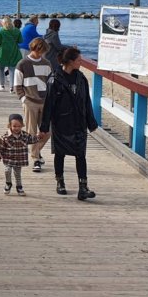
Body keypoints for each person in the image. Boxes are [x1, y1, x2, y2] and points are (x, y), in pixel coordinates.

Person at [40, 47, 99, 200]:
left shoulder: (81, 78)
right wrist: (44, 126)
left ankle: (83, 188)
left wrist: (91, 122)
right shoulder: (55, 79)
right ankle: (60, 182)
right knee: (60, 154)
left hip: (79, 123)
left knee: (81, 155)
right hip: (61, 123)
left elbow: (87, 101)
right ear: (70, 62)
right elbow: (49, 104)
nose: (81, 62)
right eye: (79, 60)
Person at [14, 37, 52, 172]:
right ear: (34, 48)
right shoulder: (22, 64)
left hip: (45, 101)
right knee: (31, 132)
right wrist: (24, 99)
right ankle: (36, 159)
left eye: (43, 52)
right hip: (30, 102)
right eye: (40, 51)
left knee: (47, 131)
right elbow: (17, 85)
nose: (41, 54)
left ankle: (35, 152)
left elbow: (50, 83)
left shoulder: (47, 64)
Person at [0, 113, 48, 196]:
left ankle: (19, 187)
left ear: (22, 125)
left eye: (19, 126)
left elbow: (32, 140)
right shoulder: (5, 137)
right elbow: (0, 146)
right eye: (14, 126)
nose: (17, 128)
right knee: (7, 170)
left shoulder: (25, 136)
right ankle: (8, 183)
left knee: (17, 174)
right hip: (8, 158)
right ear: (9, 125)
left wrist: (39, 136)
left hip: (19, 159)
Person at [0, 17, 22, 91]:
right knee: (12, 69)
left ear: (3, 23)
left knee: (1, 69)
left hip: (3, 52)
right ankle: (11, 88)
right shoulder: (17, 31)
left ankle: (2, 85)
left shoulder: (1, 31)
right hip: (13, 51)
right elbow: (20, 41)